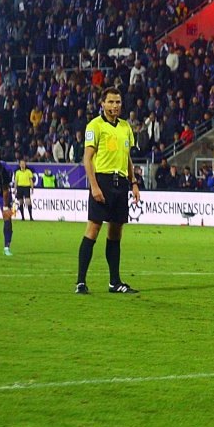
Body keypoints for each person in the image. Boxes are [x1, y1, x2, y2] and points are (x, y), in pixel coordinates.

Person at [76, 87, 141, 295]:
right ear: (102, 104)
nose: (115, 106)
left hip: (120, 182)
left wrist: (134, 183)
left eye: (118, 102)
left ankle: (115, 282)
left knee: (116, 233)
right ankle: (80, 282)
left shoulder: (125, 127)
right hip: (102, 181)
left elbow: (128, 159)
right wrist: (94, 185)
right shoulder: (94, 126)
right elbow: (87, 158)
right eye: (111, 102)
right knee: (93, 229)